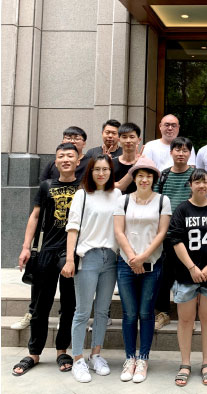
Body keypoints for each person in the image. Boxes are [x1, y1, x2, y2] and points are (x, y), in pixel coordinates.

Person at [13, 143, 80, 376]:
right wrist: (26, 247)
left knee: (69, 306)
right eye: (61, 156)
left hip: (72, 254)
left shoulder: (84, 188)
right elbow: (34, 216)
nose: (65, 159)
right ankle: (34, 353)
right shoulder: (46, 186)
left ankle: (62, 350)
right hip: (46, 251)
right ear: (55, 161)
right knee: (40, 305)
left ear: (78, 161)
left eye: (70, 156)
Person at [61, 154, 122, 383]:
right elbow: (72, 228)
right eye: (97, 169)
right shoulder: (82, 195)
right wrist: (69, 260)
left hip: (111, 258)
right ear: (90, 171)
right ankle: (78, 358)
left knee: (103, 311)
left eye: (106, 169)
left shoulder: (117, 195)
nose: (101, 173)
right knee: (82, 311)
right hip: (88, 257)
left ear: (111, 172)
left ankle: (96, 354)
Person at [113, 157, 172, 383]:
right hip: (126, 263)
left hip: (152, 262)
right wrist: (132, 257)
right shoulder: (123, 200)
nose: (144, 180)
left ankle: (143, 358)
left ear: (154, 179)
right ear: (134, 178)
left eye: (148, 176)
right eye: (140, 176)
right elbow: (119, 231)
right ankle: (130, 358)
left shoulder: (162, 200)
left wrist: (144, 257)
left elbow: (162, 232)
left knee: (146, 312)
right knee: (129, 314)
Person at [168, 169, 207, 387]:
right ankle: (185, 363)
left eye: (205, 182)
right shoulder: (182, 209)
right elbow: (176, 240)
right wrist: (192, 267)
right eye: (197, 182)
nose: (202, 185)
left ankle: (206, 362)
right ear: (190, 185)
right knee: (185, 320)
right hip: (186, 274)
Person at [154, 137, 195, 330]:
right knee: (164, 275)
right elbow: (156, 202)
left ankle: (188, 317)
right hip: (167, 234)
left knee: (188, 274)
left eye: (185, 150)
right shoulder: (163, 176)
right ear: (171, 152)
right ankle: (163, 313)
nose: (181, 153)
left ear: (190, 153)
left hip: (190, 235)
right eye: (177, 150)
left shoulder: (195, 175)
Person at [112, 122, 143, 194]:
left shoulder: (144, 164)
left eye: (132, 137)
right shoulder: (111, 163)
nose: (128, 141)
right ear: (119, 140)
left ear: (139, 140)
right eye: (124, 137)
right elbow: (107, 186)